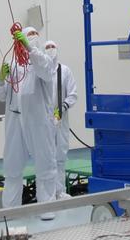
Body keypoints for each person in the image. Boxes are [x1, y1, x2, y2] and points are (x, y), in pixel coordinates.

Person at [0, 26, 59, 215]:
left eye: (32, 35)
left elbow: (44, 68)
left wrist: (29, 48)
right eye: (27, 35)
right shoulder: (14, 66)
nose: (30, 37)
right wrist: (0, 79)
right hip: (15, 122)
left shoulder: (44, 63)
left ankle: (47, 209)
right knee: (12, 168)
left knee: (45, 166)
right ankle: (10, 210)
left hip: (39, 122)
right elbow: (1, 95)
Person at [43, 40, 79, 192]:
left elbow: (73, 94)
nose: (50, 49)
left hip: (61, 119)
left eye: (53, 47)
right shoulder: (40, 72)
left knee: (60, 156)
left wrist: (63, 107)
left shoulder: (64, 71)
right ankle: (47, 193)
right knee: (46, 156)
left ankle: (60, 191)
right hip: (43, 120)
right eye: (47, 47)